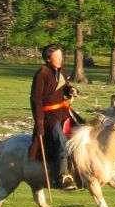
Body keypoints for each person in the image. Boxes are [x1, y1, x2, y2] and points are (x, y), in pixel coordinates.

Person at [28, 43, 79, 190]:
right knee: (62, 143)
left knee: (83, 133)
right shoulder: (42, 73)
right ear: (48, 59)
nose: (60, 59)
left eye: (61, 56)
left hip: (63, 111)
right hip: (49, 116)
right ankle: (63, 177)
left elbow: (65, 87)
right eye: (56, 56)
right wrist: (39, 123)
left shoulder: (61, 71)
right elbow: (36, 100)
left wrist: (71, 90)